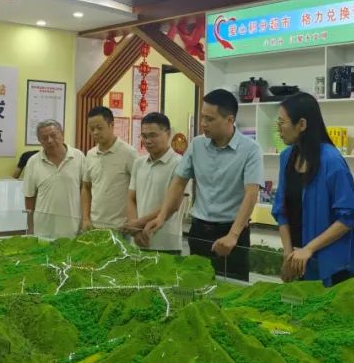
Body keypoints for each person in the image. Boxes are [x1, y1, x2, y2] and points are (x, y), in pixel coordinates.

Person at [146, 89, 262, 281]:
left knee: (231, 289)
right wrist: (162, 216)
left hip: (232, 232)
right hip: (200, 230)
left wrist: (233, 235)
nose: (203, 124)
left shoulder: (251, 149)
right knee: (195, 285)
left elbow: (251, 193)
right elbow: (178, 182)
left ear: (229, 119)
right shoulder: (197, 145)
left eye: (210, 119)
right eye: (202, 117)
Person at [271, 93, 354, 286]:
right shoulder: (286, 157)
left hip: (331, 266)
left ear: (302, 124)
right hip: (298, 261)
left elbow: (346, 219)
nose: (278, 128)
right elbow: (281, 211)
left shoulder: (332, 161)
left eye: (282, 122)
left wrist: (309, 249)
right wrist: (288, 254)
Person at [125, 112, 185, 253]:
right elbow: (131, 199)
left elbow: (173, 205)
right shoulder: (139, 163)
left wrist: (137, 224)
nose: (148, 141)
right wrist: (136, 231)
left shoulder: (180, 164)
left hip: (167, 244)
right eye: (144, 136)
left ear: (168, 134)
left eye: (153, 135)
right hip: (138, 242)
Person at [81, 106, 139, 231]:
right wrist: (85, 218)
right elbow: (86, 187)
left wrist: (133, 221)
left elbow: (139, 190)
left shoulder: (129, 153)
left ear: (111, 125)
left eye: (99, 128)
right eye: (91, 129)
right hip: (94, 226)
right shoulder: (90, 154)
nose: (95, 132)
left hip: (121, 228)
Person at [25, 119, 85, 240]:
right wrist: (30, 227)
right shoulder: (33, 161)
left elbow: (85, 190)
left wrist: (86, 219)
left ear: (62, 135)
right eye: (44, 138)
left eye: (53, 135)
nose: (49, 140)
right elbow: (29, 196)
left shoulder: (78, 156)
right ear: (39, 141)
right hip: (44, 228)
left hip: (72, 227)